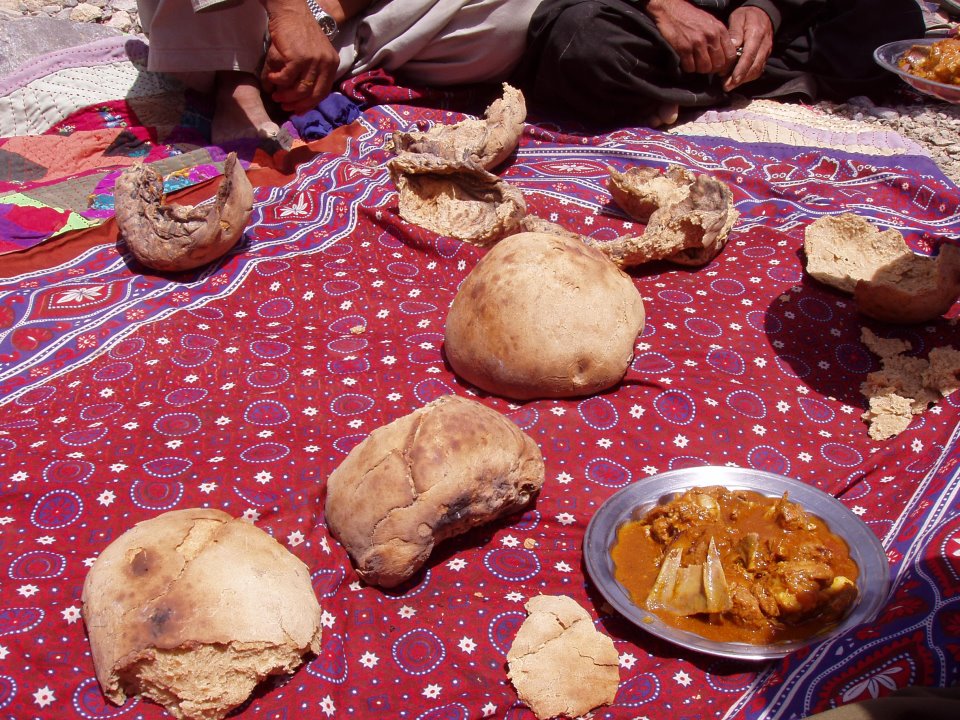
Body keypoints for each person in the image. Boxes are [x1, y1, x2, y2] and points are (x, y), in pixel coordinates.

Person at [135, 0, 544, 143]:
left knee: (514, 22)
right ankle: (236, 74)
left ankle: (323, 55)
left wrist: (326, 13)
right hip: (230, 10)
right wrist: (288, 12)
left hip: (354, 11)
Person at [512, 0, 927, 129]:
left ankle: (721, 70)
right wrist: (661, 6)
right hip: (639, 16)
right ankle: (729, 76)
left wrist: (765, 10)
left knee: (891, 16)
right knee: (583, 41)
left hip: (743, 14)